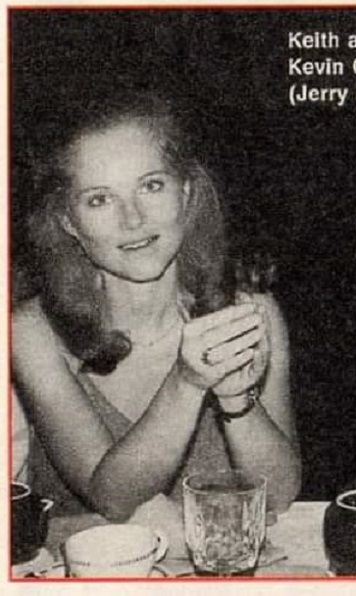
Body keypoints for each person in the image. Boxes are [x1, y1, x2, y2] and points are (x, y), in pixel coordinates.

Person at [12, 90, 301, 524]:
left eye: (151, 185)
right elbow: (113, 499)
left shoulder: (251, 312)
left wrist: (235, 398)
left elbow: (279, 498)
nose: (133, 219)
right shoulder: (32, 331)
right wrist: (187, 383)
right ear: (68, 221)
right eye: (99, 199)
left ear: (185, 193)